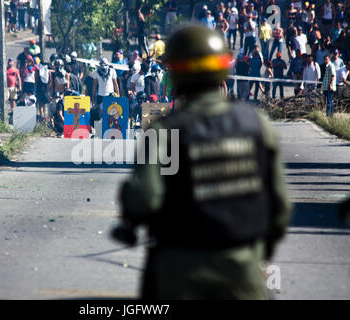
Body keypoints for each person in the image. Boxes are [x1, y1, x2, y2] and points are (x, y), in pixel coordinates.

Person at [113, 25, 291, 300]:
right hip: (244, 271)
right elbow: (280, 207)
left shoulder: (164, 130)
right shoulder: (257, 124)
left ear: (177, 72)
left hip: (180, 272)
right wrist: (256, 252)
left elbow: (143, 198)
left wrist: (129, 212)